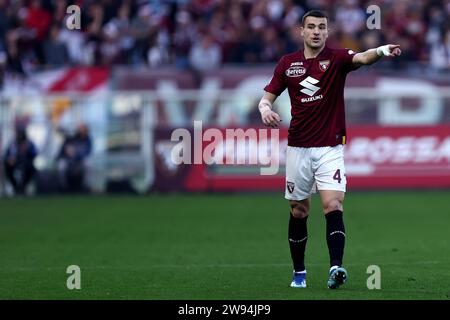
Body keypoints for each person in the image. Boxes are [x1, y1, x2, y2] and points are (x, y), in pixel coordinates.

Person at [258, 10, 401, 289]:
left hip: (330, 147)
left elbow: (362, 57)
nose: (316, 31)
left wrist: (382, 50)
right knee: (299, 210)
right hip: (298, 147)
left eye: (321, 27)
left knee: (333, 205)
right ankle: (299, 273)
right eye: (310, 27)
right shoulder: (288, 64)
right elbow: (267, 98)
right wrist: (265, 109)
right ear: (301, 31)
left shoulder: (337, 59)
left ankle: (336, 267)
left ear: (327, 31)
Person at [56, 123, 92, 193]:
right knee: (61, 165)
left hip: (80, 161)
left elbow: (87, 151)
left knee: (88, 164)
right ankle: (63, 186)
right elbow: (62, 151)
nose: (82, 130)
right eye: (81, 128)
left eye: (84, 128)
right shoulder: (71, 138)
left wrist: (76, 154)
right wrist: (67, 151)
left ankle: (85, 186)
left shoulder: (87, 139)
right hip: (68, 160)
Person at [3, 126, 38, 195]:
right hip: (15, 163)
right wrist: (9, 159)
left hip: (26, 163)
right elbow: (7, 155)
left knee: (30, 168)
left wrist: (28, 151)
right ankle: (16, 187)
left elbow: (34, 153)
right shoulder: (13, 144)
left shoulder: (29, 144)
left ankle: (23, 187)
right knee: (7, 167)